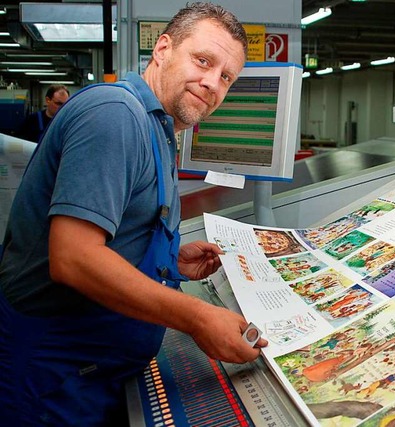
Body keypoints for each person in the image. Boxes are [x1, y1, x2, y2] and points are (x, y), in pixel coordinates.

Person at [0, 3, 267, 426]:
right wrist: (198, 318)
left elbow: (114, 227)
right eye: (203, 61)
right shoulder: (115, 115)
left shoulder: (156, 126)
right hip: (54, 372)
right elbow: (73, 257)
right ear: (162, 48)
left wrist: (166, 260)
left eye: (226, 77)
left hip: (94, 369)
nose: (212, 82)